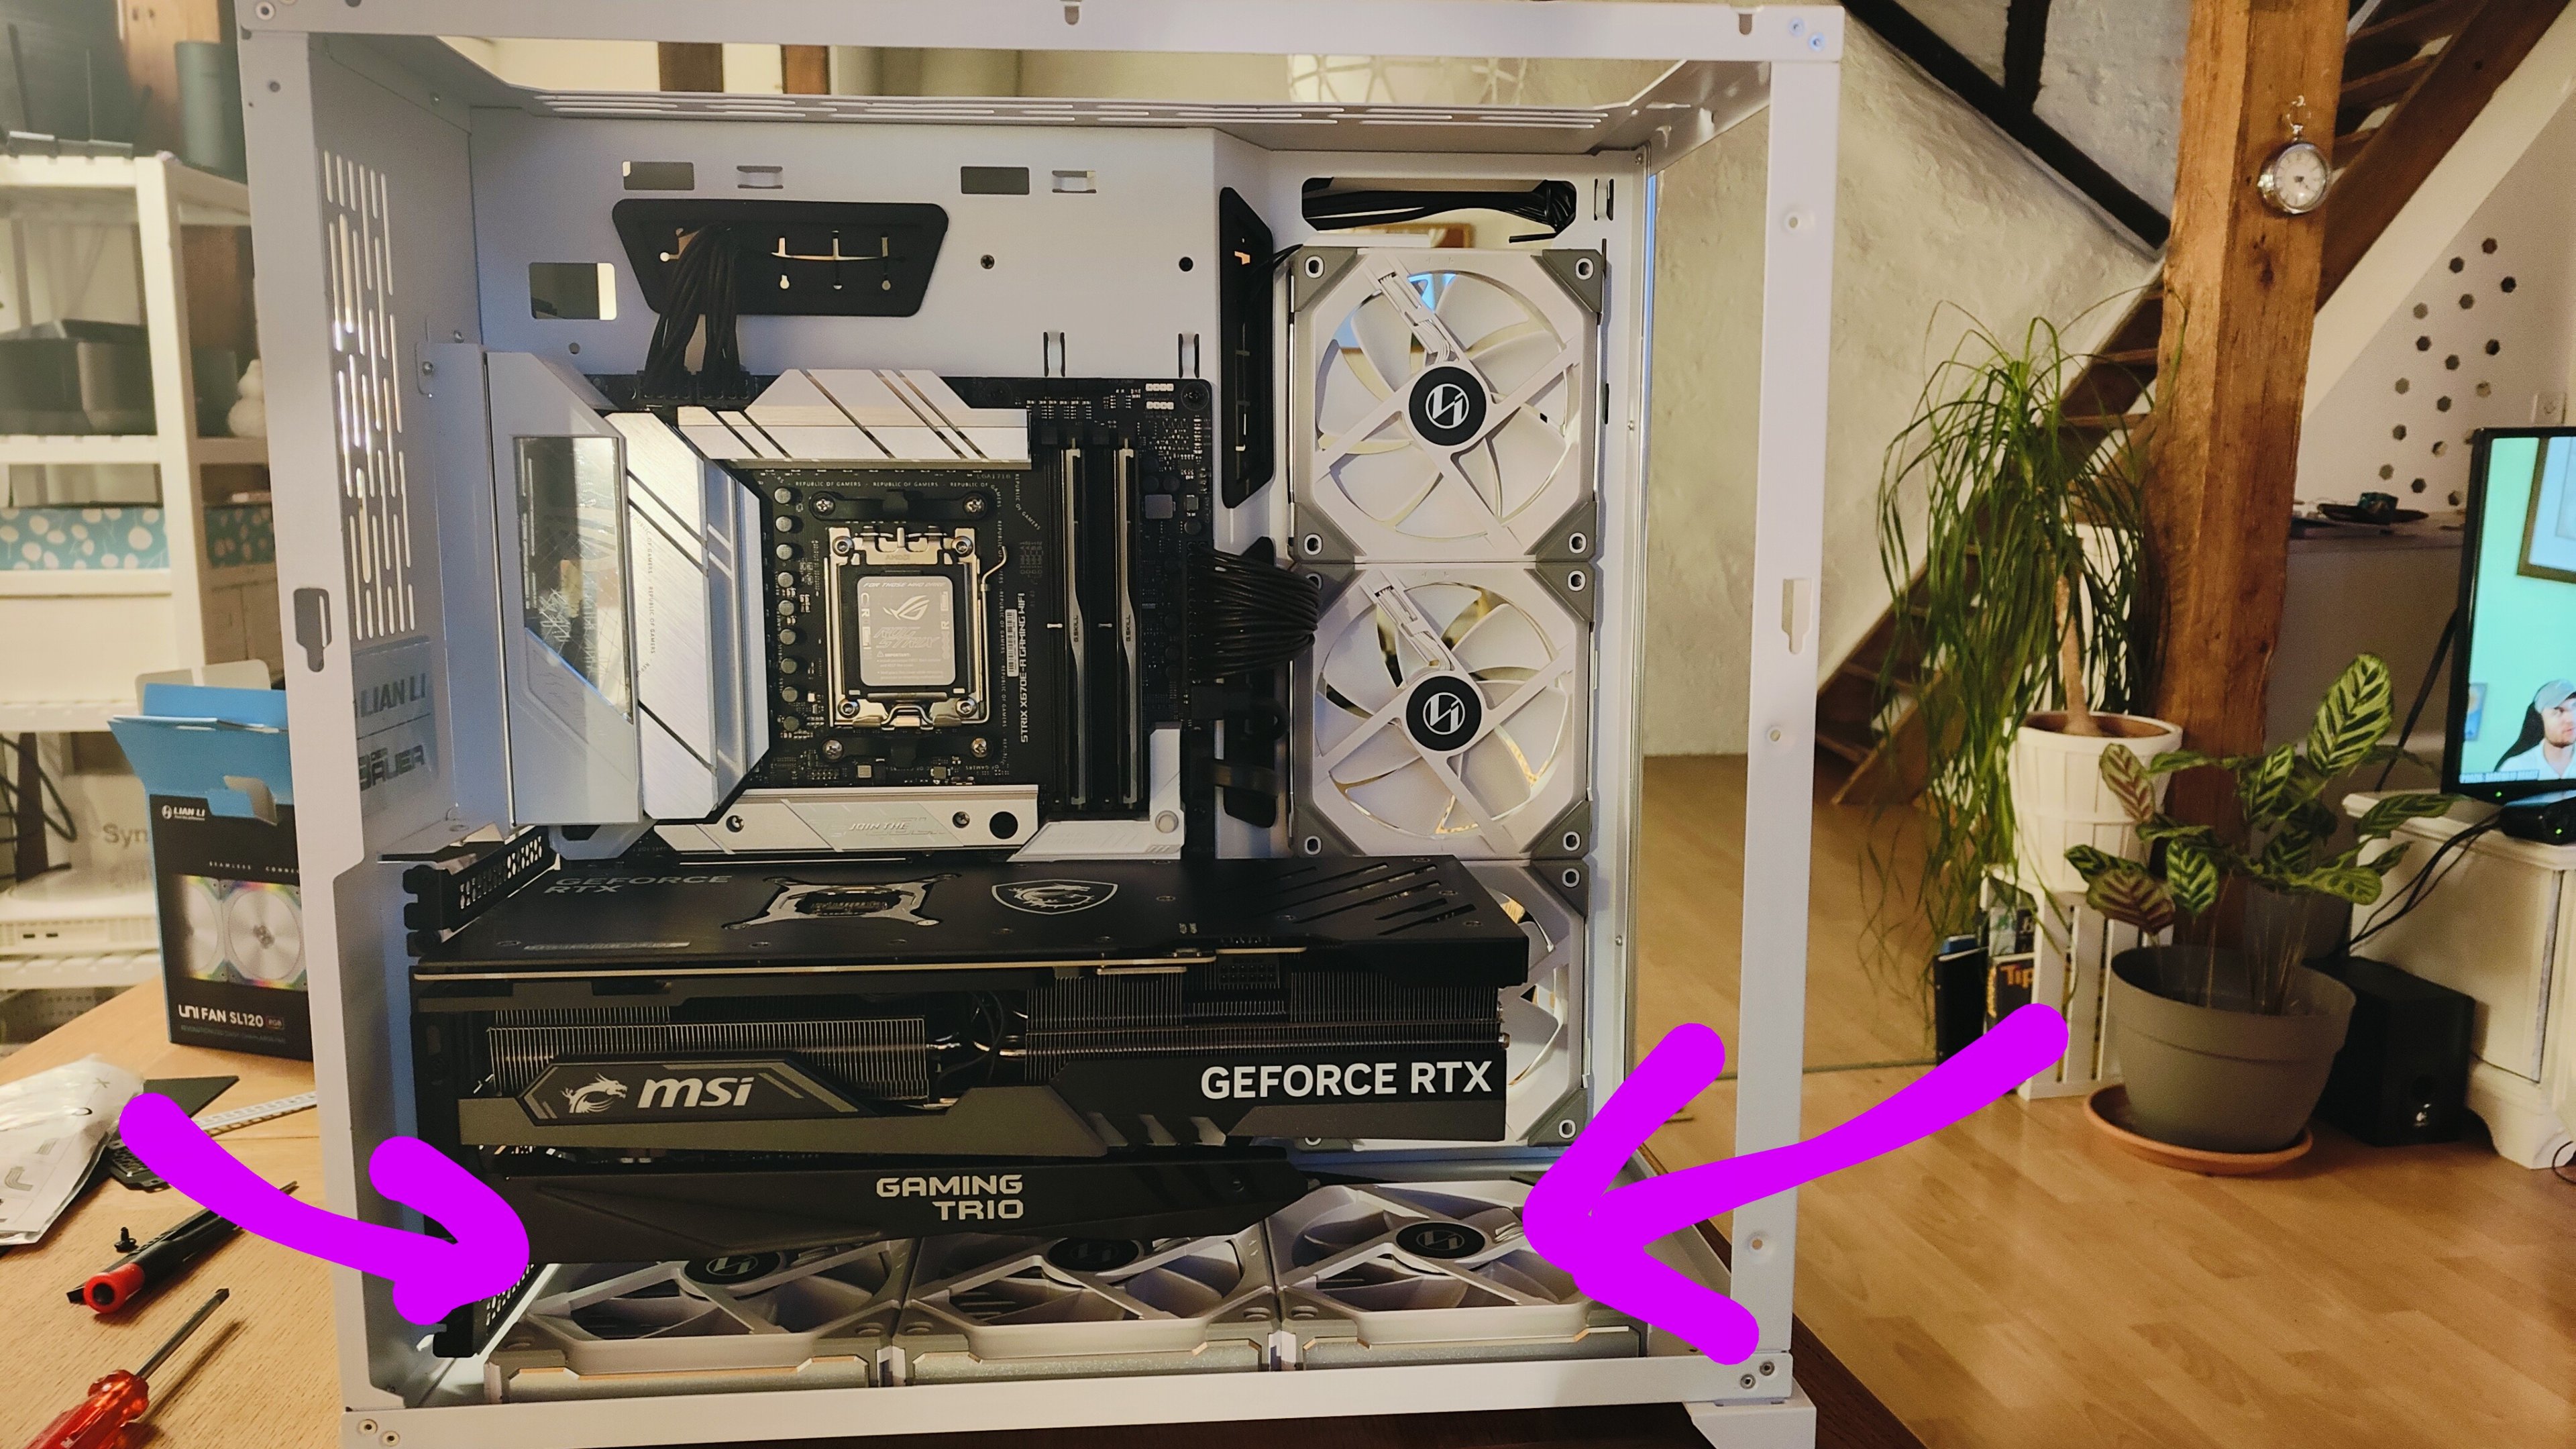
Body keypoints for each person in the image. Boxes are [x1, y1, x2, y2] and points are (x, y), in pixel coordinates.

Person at [2495, 679, 2576, 779]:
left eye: (2574, 707)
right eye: (2558, 711)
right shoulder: (2515, 768)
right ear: (2540, 721)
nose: (2571, 719)